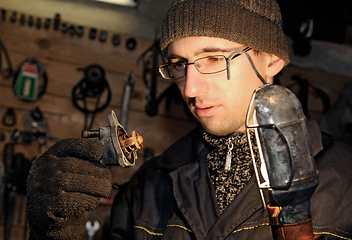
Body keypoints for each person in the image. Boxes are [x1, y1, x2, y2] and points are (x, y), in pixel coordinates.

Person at [26, 0, 352, 239]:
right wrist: (55, 230)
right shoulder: (148, 187)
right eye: (180, 64)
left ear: (272, 59)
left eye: (213, 58)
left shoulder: (346, 181)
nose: (191, 88)